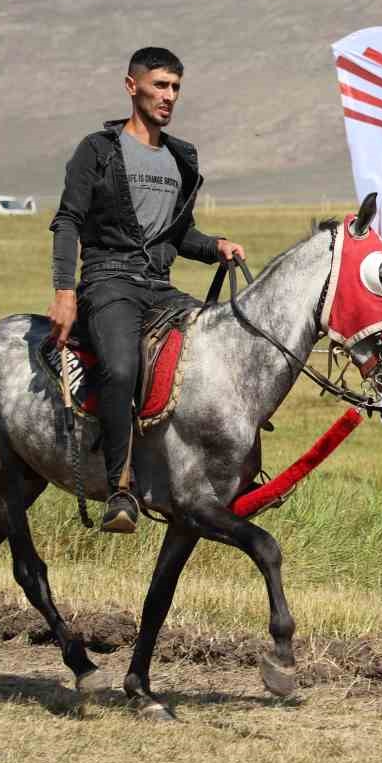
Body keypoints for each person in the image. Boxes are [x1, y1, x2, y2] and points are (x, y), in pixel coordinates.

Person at [47, 47, 245, 533]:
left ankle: (200, 473)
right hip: (109, 280)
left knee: (214, 350)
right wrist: (65, 291)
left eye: (175, 87)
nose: (169, 96)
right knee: (120, 366)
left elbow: (178, 235)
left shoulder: (180, 158)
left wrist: (214, 245)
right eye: (160, 85)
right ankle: (119, 488)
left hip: (160, 286)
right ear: (131, 85)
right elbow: (68, 220)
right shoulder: (97, 149)